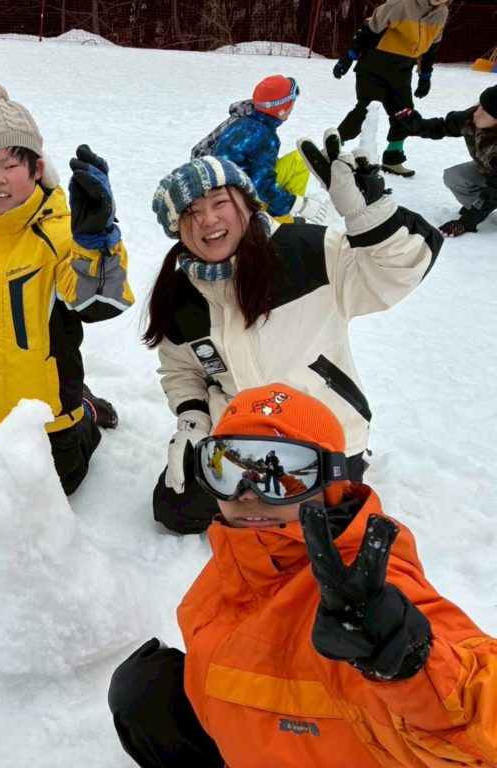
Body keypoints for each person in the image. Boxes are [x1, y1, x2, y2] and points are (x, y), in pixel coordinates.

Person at [108, 383, 497, 767]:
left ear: (331, 483)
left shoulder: (363, 592)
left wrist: (412, 667)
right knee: (146, 688)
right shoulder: (235, 565)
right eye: (226, 469)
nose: (247, 493)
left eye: (277, 475)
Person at [146, 138, 441, 534]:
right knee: (175, 510)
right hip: (240, 442)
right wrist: (193, 421)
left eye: (219, 203)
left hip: (323, 439)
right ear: (177, 230)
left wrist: (372, 219)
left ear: (246, 203)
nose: (208, 221)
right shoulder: (180, 295)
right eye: (191, 213)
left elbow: (395, 272)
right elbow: (181, 370)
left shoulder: (308, 251)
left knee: (322, 538)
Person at [0, 82, 132, 495]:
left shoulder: (61, 233)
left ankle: (85, 410)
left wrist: (97, 242)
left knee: (64, 482)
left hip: (44, 412)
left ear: (37, 168)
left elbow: (97, 301)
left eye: (10, 164)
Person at [334, 0, 450, 177]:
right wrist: (348, 57)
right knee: (366, 109)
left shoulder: (441, 13)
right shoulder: (401, 4)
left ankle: (393, 159)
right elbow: (369, 29)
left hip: (402, 69)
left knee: (405, 114)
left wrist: (425, 76)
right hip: (375, 63)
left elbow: (432, 47)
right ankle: (333, 146)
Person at [194, 75, 328, 224]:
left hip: (222, 194)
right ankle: (281, 221)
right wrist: (298, 204)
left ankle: (275, 213)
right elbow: (262, 186)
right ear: (283, 109)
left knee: (278, 165)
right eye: (293, 101)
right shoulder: (265, 136)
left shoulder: (240, 122)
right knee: (300, 159)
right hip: (239, 202)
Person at [390, 84, 497, 237]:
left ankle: (480, 210)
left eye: (485, 114)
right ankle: (480, 208)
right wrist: (416, 124)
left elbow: (494, 190)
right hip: (489, 171)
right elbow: (444, 126)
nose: (477, 114)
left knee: (490, 195)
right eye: (480, 106)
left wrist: (466, 222)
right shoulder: (472, 117)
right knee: (455, 176)